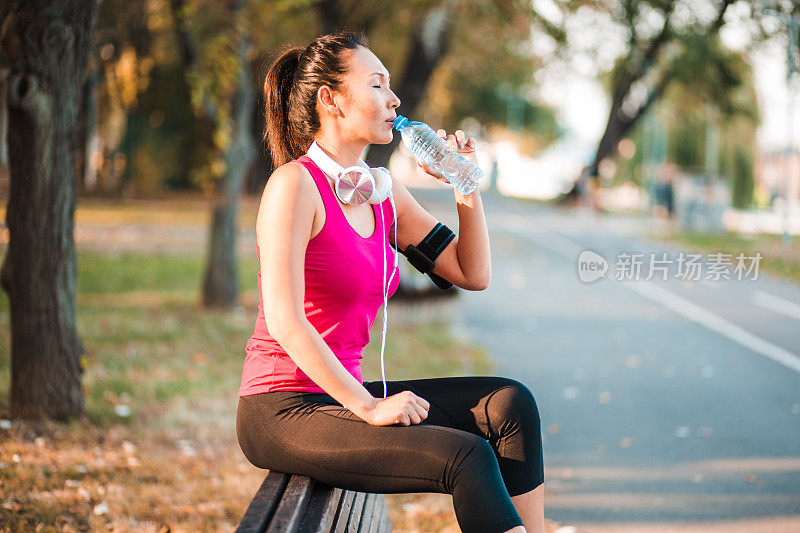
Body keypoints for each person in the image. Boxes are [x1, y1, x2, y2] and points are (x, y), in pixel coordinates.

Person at [235, 30, 545, 533]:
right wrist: (370, 406)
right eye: (377, 85)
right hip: (285, 407)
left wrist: (463, 184)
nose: (394, 99)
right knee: (465, 456)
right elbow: (287, 322)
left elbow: (472, 273)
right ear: (330, 100)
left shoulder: (382, 193)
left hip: (341, 398)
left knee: (509, 405)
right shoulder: (294, 187)